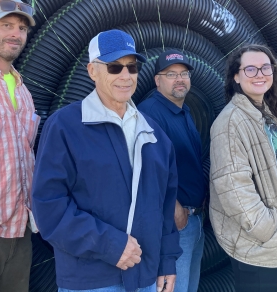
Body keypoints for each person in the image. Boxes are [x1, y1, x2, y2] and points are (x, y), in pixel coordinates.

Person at [31, 29, 182, 292]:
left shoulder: (154, 134)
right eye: (114, 67)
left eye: (131, 67)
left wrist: (167, 261)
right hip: (91, 281)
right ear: (92, 71)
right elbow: (48, 206)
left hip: (145, 278)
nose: (125, 76)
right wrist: (110, 245)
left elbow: (166, 205)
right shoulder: (66, 126)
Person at [209, 44, 277, 292]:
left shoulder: (263, 113)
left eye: (265, 67)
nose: (259, 74)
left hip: (274, 235)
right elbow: (234, 189)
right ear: (236, 77)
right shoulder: (230, 122)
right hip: (260, 242)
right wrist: (268, 230)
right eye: (250, 69)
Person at [138, 49, 207, 292]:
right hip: (175, 224)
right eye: (171, 74)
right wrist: (173, 206)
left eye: (184, 73)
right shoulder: (149, 113)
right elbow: (144, 169)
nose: (179, 79)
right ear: (157, 80)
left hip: (194, 220)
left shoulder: (183, 111)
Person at [0, 2, 37, 291]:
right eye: (6, 25)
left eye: (21, 28)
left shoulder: (22, 89)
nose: (15, 34)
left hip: (20, 231)